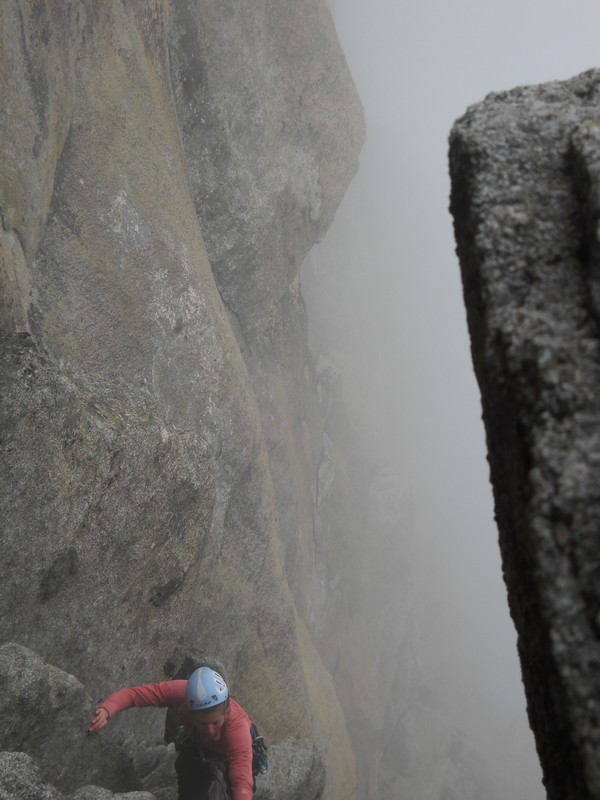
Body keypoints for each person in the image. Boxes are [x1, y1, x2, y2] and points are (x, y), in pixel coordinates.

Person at [89, 666, 254, 800]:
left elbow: (242, 781)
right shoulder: (181, 693)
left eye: (215, 722)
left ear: (226, 712)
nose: (210, 729)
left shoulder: (237, 729)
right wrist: (106, 709)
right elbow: (135, 695)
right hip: (198, 745)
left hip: (232, 749)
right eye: (203, 723)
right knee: (190, 786)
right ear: (190, 712)